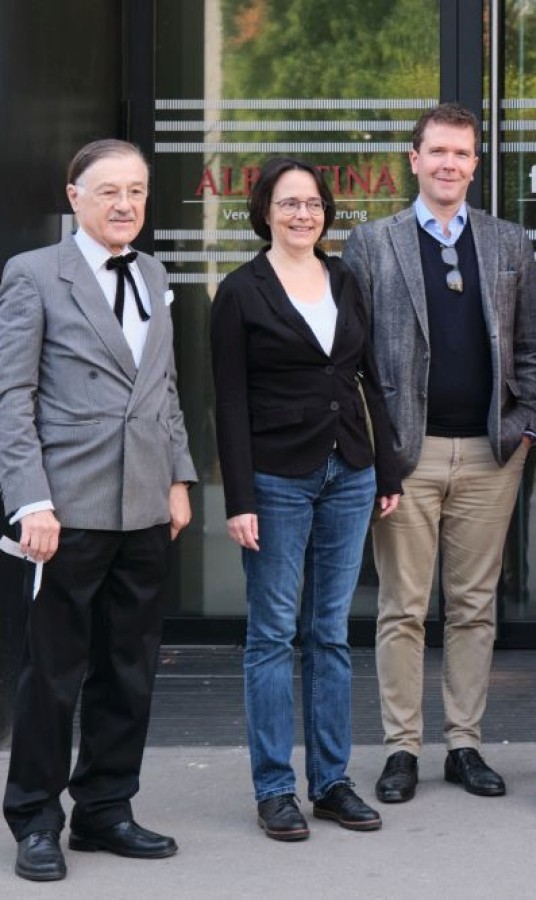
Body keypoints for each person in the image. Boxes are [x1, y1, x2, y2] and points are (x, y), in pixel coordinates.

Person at [0, 139, 196, 882]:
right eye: (108, 190)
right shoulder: (33, 274)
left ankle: (106, 809)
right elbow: (12, 396)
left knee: (128, 670)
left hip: (145, 502)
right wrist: (30, 499)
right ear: (74, 195)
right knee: (53, 674)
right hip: (66, 506)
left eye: (136, 191)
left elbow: (165, 386)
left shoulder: (153, 272)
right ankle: (35, 819)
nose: (124, 204)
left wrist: (178, 477)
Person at [342, 102, 536, 804]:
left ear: (475, 164)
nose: (449, 164)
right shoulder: (373, 243)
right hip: (407, 456)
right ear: (414, 159)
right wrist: (378, 454)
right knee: (402, 608)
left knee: (473, 606)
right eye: (437, 152)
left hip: (491, 455)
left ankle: (465, 744)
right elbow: (354, 359)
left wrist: (524, 429)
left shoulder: (508, 242)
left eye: (461, 153)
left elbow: (533, 349)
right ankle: (401, 749)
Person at [211, 158, 404, 841]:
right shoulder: (240, 293)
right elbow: (229, 403)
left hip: (348, 471)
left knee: (330, 633)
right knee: (271, 635)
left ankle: (330, 783)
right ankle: (274, 789)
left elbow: (367, 378)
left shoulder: (344, 278)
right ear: (265, 211)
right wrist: (238, 497)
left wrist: (387, 470)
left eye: (314, 203)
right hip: (275, 479)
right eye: (289, 203)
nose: (303, 214)